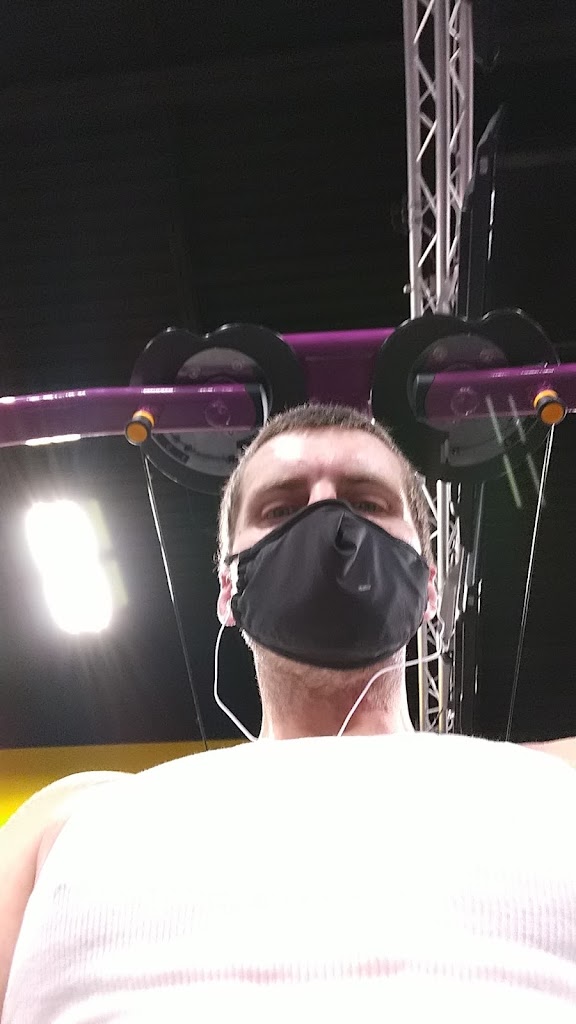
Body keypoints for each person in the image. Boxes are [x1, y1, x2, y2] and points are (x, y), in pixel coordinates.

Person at [1, 402, 575, 1023]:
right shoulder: (66, 816)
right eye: (279, 509)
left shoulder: (561, 778)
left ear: (430, 586)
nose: (327, 521)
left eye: (367, 502)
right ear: (229, 590)